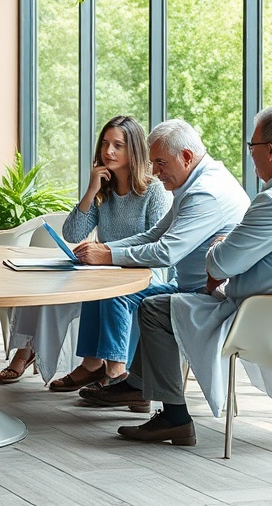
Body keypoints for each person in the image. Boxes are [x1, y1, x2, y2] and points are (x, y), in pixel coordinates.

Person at [92, 107, 272, 447]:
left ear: (269, 151)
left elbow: (219, 264)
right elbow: (191, 249)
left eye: (252, 145)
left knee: (153, 309)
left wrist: (220, 250)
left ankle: (174, 417)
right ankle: (139, 384)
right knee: (153, 300)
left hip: (261, 316)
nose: (154, 173)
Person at [63, 118, 250, 403]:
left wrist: (108, 254)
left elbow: (166, 252)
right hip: (190, 286)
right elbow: (154, 234)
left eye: (161, 163)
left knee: (124, 295)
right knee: (113, 290)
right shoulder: (195, 182)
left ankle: (125, 379)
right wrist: (103, 252)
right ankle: (126, 382)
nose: (155, 172)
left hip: (207, 295)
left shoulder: (204, 193)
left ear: (186, 157)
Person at [0, 116, 171, 385]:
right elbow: (72, 234)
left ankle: (100, 367)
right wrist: (92, 190)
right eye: (105, 143)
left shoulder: (154, 191)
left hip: (143, 272)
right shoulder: (105, 188)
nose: (108, 151)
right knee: (46, 286)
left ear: (134, 149)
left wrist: (106, 252)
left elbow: (157, 244)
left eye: (118, 145)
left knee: (106, 289)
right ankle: (36, 351)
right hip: (104, 269)